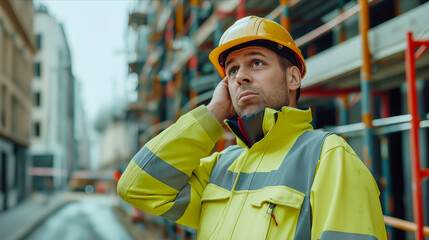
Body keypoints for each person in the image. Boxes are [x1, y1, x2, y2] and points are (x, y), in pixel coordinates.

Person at [118, 16, 387, 240]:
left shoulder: (328, 158)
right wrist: (214, 112)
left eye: (256, 63)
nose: (241, 76)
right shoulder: (220, 166)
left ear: (293, 77)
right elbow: (137, 187)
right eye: (232, 70)